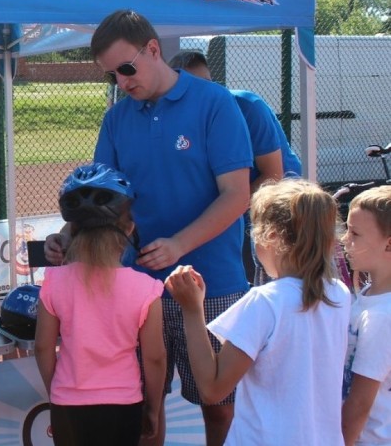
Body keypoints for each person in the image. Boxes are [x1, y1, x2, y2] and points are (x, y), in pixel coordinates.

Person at [46, 10, 252, 446]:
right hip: (133, 288)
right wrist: (66, 238)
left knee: (219, 411)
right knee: (145, 416)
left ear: (153, 50)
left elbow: (237, 195)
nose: (121, 83)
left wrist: (179, 244)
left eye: (126, 68)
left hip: (212, 285)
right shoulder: (118, 119)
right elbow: (102, 199)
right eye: (111, 76)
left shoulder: (215, 103)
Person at [165, 179, 351, 445]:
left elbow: (213, 388)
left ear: (271, 236)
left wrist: (192, 310)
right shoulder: (339, 294)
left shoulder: (264, 302)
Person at [34, 163, 166, 446]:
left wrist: (56, 391)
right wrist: (153, 408)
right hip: (124, 404)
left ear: (73, 230)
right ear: (129, 227)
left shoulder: (54, 281)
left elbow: (43, 347)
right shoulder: (146, 289)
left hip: (67, 404)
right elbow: (155, 358)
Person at [170, 50, 303, 284]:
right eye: (193, 89)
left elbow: (273, 175)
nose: (206, 94)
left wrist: (224, 210)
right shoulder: (176, 117)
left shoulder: (247, 106)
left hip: (279, 205)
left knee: (271, 279)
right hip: (243, 204)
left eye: (209, 85)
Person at [341, 186, 391, 445]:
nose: (345, 239)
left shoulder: (382, 316)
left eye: (355, 233)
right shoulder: (371, 293)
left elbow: (359, 403)